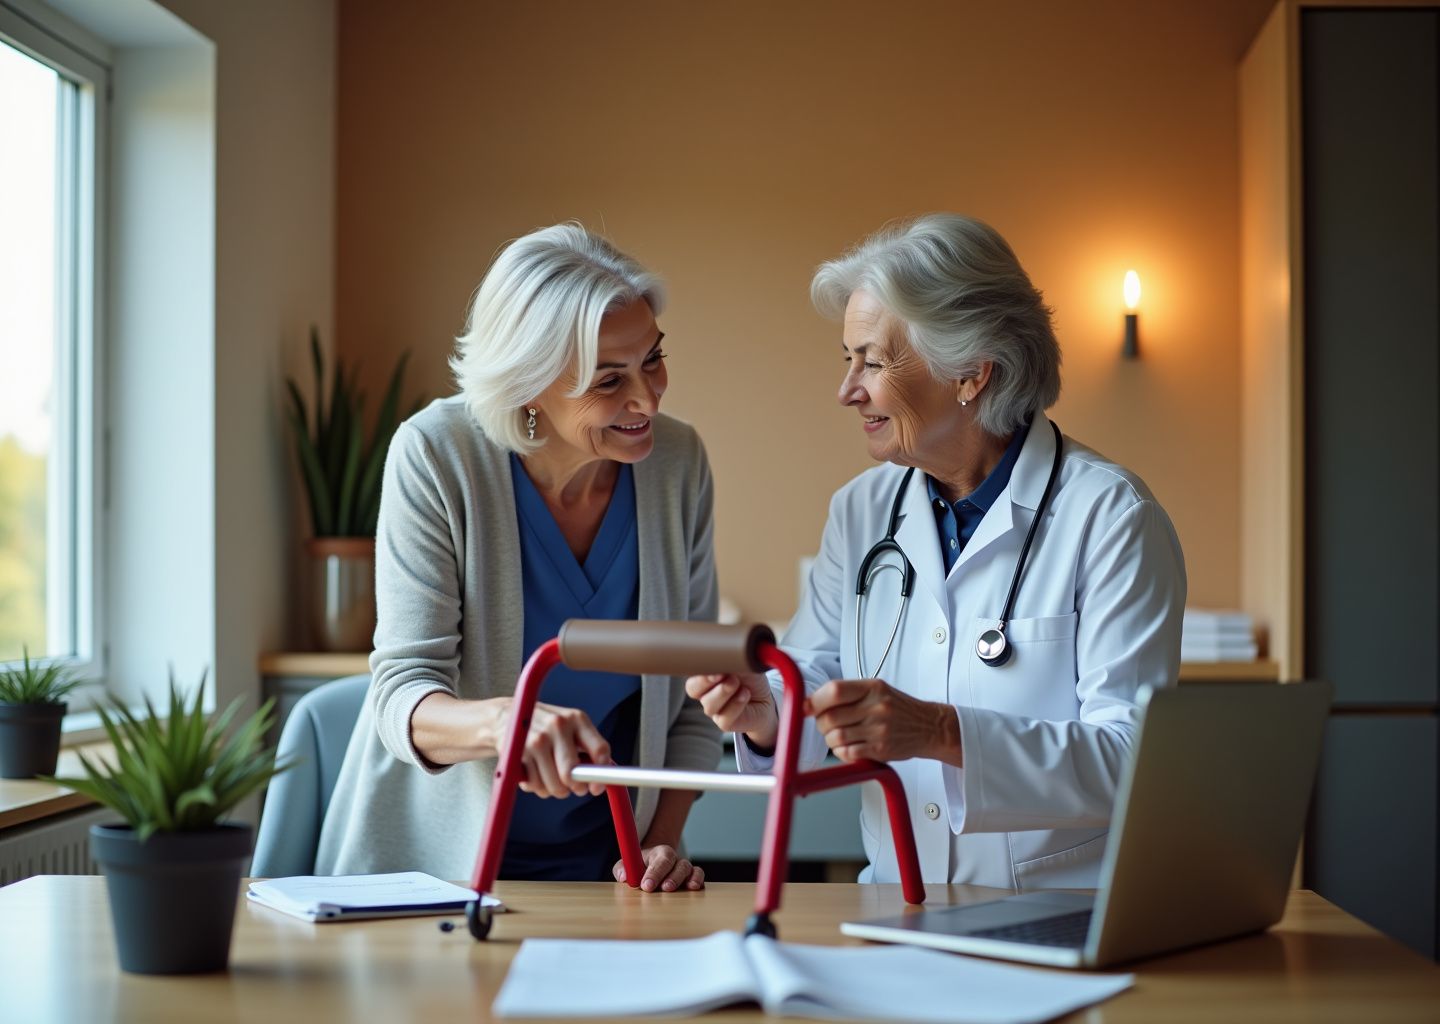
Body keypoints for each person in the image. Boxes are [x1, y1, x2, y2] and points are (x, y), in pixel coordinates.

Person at [687, 214, 1186, 890]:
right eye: (847, 359)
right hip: (897, 906)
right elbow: (816, 674)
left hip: (1057, 918)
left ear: (971, 373)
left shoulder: (1111, 517)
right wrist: (766, 714)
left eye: (873, 360)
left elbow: (1134, 761)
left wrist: (940, 732)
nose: (847, 390)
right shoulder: (861, 512)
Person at [317, 224, 722, 891]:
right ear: (529, 386)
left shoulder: (678, 463)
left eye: (652, 358)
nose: (647, 398)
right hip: (432, 871)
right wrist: (502, 721)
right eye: (607, 379)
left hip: (605, 870)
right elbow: (401, 696)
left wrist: (656, 843)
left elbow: (691, 701)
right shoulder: (437, 454)